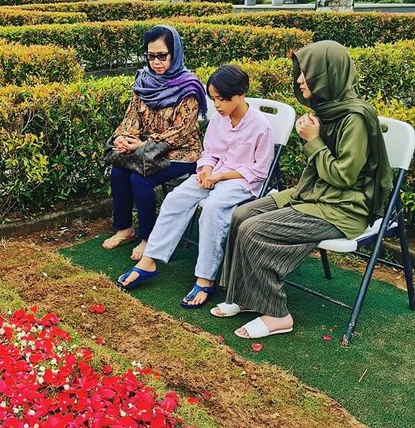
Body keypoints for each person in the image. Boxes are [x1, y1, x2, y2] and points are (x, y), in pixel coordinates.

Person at [212, 41, 392, 340]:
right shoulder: (328, 109)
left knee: (255, 229)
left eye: (306, 73)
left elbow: (343, 177)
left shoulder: (355, 118)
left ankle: (277, 314)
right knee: (242, 214)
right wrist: (313, 138)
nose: (298, 80)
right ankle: (244, 295)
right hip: (315, 194)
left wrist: (312, 140)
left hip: (342, 208)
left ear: (328, 74)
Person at [117, 65, 273, 308]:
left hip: (242, 182)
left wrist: (219, 177)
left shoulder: (260, 126)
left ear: (241, 94)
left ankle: (206, 278)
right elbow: (209, 152)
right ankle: (150, 260)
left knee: (212, 209)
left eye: (222, 99)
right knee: (176, 198)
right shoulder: (219, 119)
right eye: (213, 99)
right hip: (213, 175)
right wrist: (207, 170)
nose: (217, 105)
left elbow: (259, 171)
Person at [103, 25, 207, 261]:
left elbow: (181, 131)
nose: (156, 62)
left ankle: (148, 237)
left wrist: (142, 145)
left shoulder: (188, 86)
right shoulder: (144, 80)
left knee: (140, 178)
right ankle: (124, 229)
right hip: (144, 150)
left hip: (181, 153)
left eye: (162, 55)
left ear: (175, 53)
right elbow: (132, 117)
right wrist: (124, 137)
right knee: (119, 171)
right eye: (151, 56)